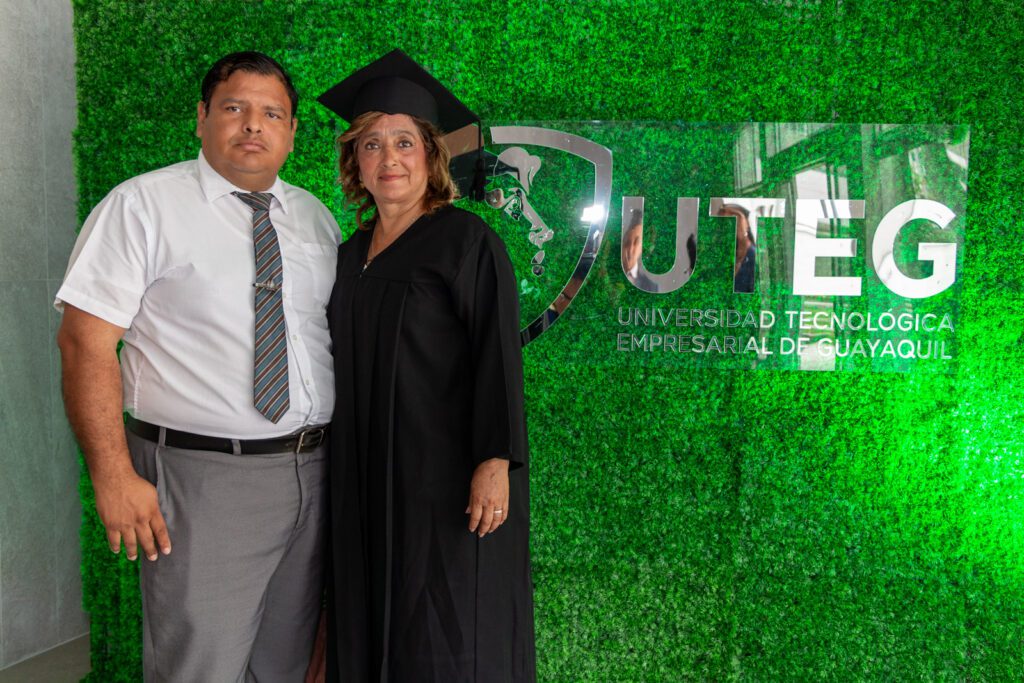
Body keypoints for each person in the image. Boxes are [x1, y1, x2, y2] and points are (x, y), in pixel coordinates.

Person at [55, 51, 340, 681]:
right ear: (202, 117)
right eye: (235, 108)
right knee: (199, 667)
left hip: (313, 471)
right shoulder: (142, 206)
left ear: (292, 131)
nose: (253, 125)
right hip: (203, 478)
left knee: (286, 663)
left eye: (272, 113)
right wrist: (112, 474)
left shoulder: (315, 218)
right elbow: (83, 343)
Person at [317, 49, 536, 682]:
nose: (389, 158)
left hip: (443, 479)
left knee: (445, 623)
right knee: (368, 609)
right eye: (372, 145)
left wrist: (495, 462)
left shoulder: (466, 241)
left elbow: (496, 355)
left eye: (404, 142)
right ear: (356, 162)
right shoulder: (348, 254)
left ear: (431, 156)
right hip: (362, 474)